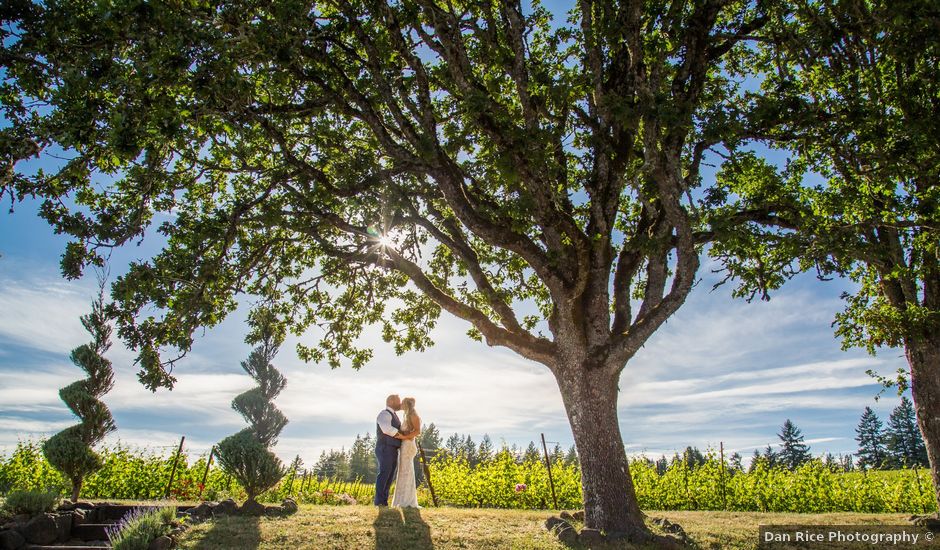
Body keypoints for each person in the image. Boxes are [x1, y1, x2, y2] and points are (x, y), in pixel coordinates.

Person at [391, 397, 421, 508]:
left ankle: (407, 501)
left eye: (402, 403)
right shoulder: (407, 416)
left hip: (408, 446)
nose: (400, 404)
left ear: (406, 404)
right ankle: (401, 500)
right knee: (403, 471)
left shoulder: (413, 415)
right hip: (404, 445)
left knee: (406, 471)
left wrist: (404, 436)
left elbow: (418, 431)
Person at [374, 394, 404, 506]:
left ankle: (383, 501)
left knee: (390, 475)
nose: (400, 404)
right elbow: (387, 429)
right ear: (391, 401)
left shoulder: (394, 415)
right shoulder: (384, 414)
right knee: (384, 473)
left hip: (392, 448)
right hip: (385, 447)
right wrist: (403, 436)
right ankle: (379, 502)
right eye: (398, 401)